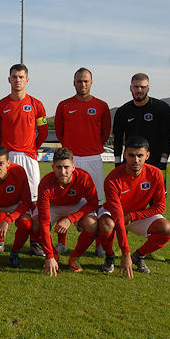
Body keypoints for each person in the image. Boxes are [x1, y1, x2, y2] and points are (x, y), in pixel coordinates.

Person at [97, 136, 170, 277]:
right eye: (131, 155)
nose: (136, 160)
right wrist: (125, 253)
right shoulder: (113, 179)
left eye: (140, 156)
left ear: (147, 155)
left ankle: (139, 256)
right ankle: (109, 257)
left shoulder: (155, 173)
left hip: (137, 214)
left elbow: (160, 206)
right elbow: (118, 215)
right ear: (125, 154)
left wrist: (133, 216)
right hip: (114, 214)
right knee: (106, 224)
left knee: (167, 229)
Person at [54, 67, 110, 257]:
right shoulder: (63, 105)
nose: (82, 84)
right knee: (66, 199)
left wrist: (91, 147)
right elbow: (60, 132)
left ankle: (100, 244)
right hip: (72, 158)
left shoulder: (102, 106)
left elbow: (105, 133)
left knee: (98, 202)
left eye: (86, 81)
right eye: (79, 81)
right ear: (74, 83)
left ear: (91, 82)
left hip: (93, 158)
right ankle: (61, 243)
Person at [0, 63, 48, 256]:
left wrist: (33, 147)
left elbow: (43, 131)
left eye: (21, 77)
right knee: (3, 198)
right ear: (9, 79)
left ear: (27, 80)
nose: (17, 80)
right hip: (8, 158)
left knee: (32, 201)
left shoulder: (36, 105)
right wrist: (7, 153)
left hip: (29, 158)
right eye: (14, 77)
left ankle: (33, 243)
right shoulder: (0, 105)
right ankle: (0, 242)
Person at [38, 148, 99, 277]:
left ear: (73, 167)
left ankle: (75, 257)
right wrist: (49, 256)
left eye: (66, 167)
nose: (63, 172)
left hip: (75, 204)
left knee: (92, 224)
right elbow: (43, 221)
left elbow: (93, 203)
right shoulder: (45, 183)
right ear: (53, 167)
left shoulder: (84, 177)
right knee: (35, 225)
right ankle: (53, 253)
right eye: (59, 167)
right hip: (53, 206)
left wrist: (70, 218)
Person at [113, 73, 170, 170]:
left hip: (155, 164)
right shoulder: (123, 111)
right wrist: (117, 163)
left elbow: (167, 137)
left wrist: (163, 162)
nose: (139, 90)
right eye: (136, 87)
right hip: (131, 164)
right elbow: (118, 139)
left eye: (142, 87)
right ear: (130, 88)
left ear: (148, 88)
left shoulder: (162, 108)